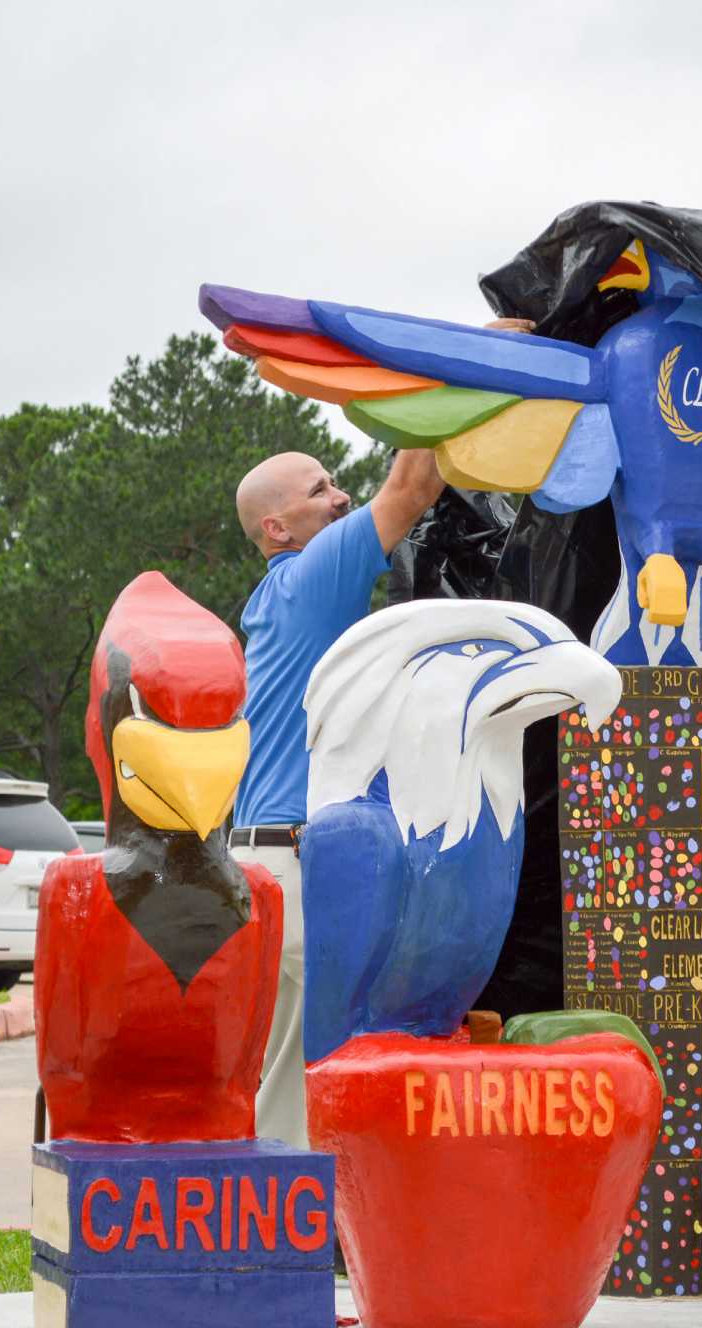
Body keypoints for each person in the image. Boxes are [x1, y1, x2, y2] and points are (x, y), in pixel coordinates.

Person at [226, 443, 446, 1148]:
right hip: (297, 865)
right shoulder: (313, 577)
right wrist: (441, 375)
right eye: (318, 490)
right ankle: (349, 1226)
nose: (340, 495)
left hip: (268, 865)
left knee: (288, 1073)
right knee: (364, 1043)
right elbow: (411, 485)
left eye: (334, 480)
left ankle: (274, 1237)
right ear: (277, 530)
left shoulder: (279, 599)